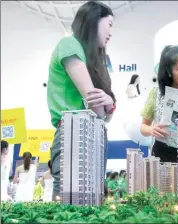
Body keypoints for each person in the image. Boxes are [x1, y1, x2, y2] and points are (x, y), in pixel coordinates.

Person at [46, 1, 117, 201]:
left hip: (93, 133)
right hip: (73, 131)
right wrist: (107, 105)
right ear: (95, 19)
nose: (111, 32)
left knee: (92, 200)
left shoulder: (96, 59)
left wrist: (108, 103)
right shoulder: (69, 44)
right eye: (109, 24)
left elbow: (104, 113)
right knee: (70, 202)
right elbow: (96, 104)